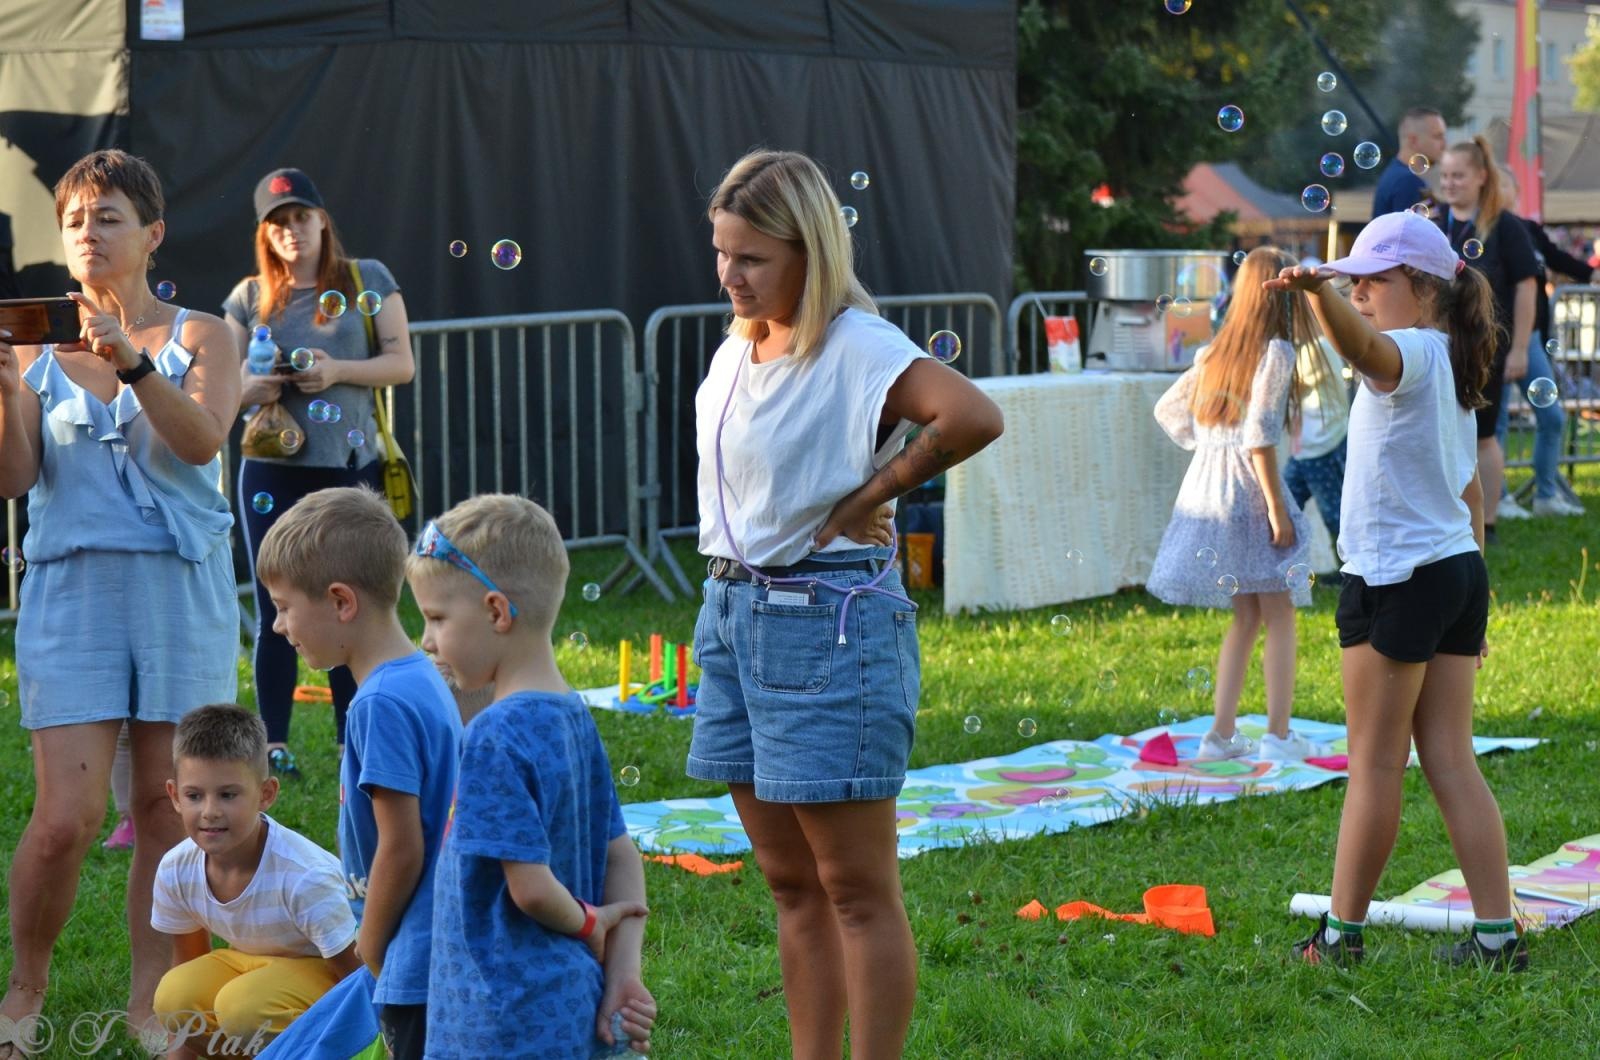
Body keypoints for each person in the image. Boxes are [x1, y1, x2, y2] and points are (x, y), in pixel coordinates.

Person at [690, 149, 1003, 1059]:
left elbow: (971, 415)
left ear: (811, 251)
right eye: (722, 252)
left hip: (824, 622)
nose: (730, 273)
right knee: (790, 884)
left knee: (855, 890)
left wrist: (873, 494)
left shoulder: (858, 345)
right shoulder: (739, 346)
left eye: (752, 257)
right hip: (733, 613)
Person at [0, 149, 241, 1051]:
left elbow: (201, 441)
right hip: (72, 589)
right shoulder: (34, 346)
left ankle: (152, 1000)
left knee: (165, 807)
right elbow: (14, 477)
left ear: (153, 235)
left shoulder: (203, 335)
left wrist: (135, 363)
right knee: (66, 821)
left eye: (108, 218)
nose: (89, 234)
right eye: (75, 220)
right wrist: (3, 393)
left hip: (178, 586)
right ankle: (23, 991)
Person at [1271, 211, 1524, 970]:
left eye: (1372, 282)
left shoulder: (1410, 350)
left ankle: (1339, 937)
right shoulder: (1450, 358)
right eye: (1352, 283)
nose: (1360, 294)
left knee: (1376, 765)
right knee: (1451, 758)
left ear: (1422, 288)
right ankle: (1496, 936)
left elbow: (1363, 347)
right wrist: (1474, 604)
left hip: (1398, 577)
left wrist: (1317, 294)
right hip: (1453, 572)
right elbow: (1469, 494)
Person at [408, 494, 657, 1058]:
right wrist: (624, 972)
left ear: (496, 612)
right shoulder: (573, 714)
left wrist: (590, 923)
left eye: (437, 618)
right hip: (572, 1007)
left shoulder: (493, 733)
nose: (426, 639)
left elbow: (531, 889)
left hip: (497, 1019)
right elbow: (621, 854)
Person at [254, 486, 459, 1060]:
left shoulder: (378, 704)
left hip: (411, 952)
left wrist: (371, 944)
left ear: (341, 601)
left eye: (284, 607)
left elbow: (401, 847)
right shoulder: (419, 675)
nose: (278, 626)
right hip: (434, 938)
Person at [223, 167, 415, 777]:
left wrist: (336, 371)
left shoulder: (367, 278)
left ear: (322, 220)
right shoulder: (248, 297)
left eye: (301, 217)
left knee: (349, 600)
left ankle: (351, 735)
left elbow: (401, 364)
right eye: (277, 223)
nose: (291, 231)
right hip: (271, 470)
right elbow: (223, 388)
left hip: (347, 464)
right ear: (264, 234)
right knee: (277, 605)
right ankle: (273, 744)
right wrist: (256, 385)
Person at [1146, 247, 1318, 762]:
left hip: (1207, 489)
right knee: (1280, 613)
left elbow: (1167, 410)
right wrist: (1277, 509)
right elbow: (1260, 438)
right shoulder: (1276, 351)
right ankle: (1279, 736)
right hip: (1249, 490)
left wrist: (1207, 444)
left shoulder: (1216, 351)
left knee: (1245, 616)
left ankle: (1220, 736)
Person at [152, 705, 362, 1056]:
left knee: (244, 1007)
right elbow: (189, 965)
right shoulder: (176, 869)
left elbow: (359, 982)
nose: (210, 812)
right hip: (255, 971)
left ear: (266, 794)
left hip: (330, 976)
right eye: (194, 796)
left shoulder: (305, 877)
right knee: (175, 995)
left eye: (228, 795)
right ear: (174, 796)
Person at [1434, 137, 1538, 541]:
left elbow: (1527, 286)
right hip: (1439, 346)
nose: (1449, 183)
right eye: (1445, 175)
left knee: (1483, 435)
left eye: (1458, 175)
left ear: (1481, 176)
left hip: (1487, 347)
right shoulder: (1433, 222)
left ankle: (1487, 521)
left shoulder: (1505, 226)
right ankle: (1449, 516)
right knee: (1443, 435)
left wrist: (1521, 348)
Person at [1492, 166, 1589, 518]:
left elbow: (1557, 258)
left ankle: (1546, 496)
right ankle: (1498, 498)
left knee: (1552, 417)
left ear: (1515, 191)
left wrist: (1592, 273)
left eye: (1505, 185)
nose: (1500, 191)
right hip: (1495, 338)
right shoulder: (1480, 230)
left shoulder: (1528, 229)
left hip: (1530, 337)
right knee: (1496, 423)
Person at [1283, 335, 1349, 549]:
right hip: (1306, 448)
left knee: (1335, 517)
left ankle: (1348, 563)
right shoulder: (1308, 346)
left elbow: (1287, 386)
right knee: (1284, 504)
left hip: (1322, 447)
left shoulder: (1315, 349)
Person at [1372, 106, 1448, 217]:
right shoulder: (1407, 182)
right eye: (1438, 137)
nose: (1444, 144)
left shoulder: (1395, 174)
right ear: (1413, 141)